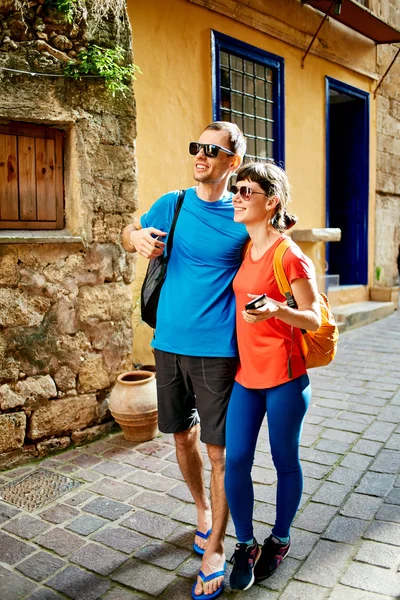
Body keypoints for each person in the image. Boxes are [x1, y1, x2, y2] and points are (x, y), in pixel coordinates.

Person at [121, 122, 248, 599]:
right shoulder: (172, 203)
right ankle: (201, 510)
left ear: (232, 162)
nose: (202, 155)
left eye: (214, 150)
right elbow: (126, 229)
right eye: (198, 146)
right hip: (168, 343)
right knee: (181, 435)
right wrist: (134, 239)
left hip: (219, 351)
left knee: (220, 451)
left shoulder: (240, 211)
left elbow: (275, 250)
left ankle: (215, 546)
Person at [224, 161, 322, 591]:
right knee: (236, 460)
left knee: (284, 462)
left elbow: (314, 319)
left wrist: (278, 309)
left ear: (272, 202)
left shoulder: (290, 255)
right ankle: (245, 544)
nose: (238, 197)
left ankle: (279, 539)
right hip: (247, 377)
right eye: (237, 189)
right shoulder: (247, 247)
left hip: (284, 379)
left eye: (248, 191)